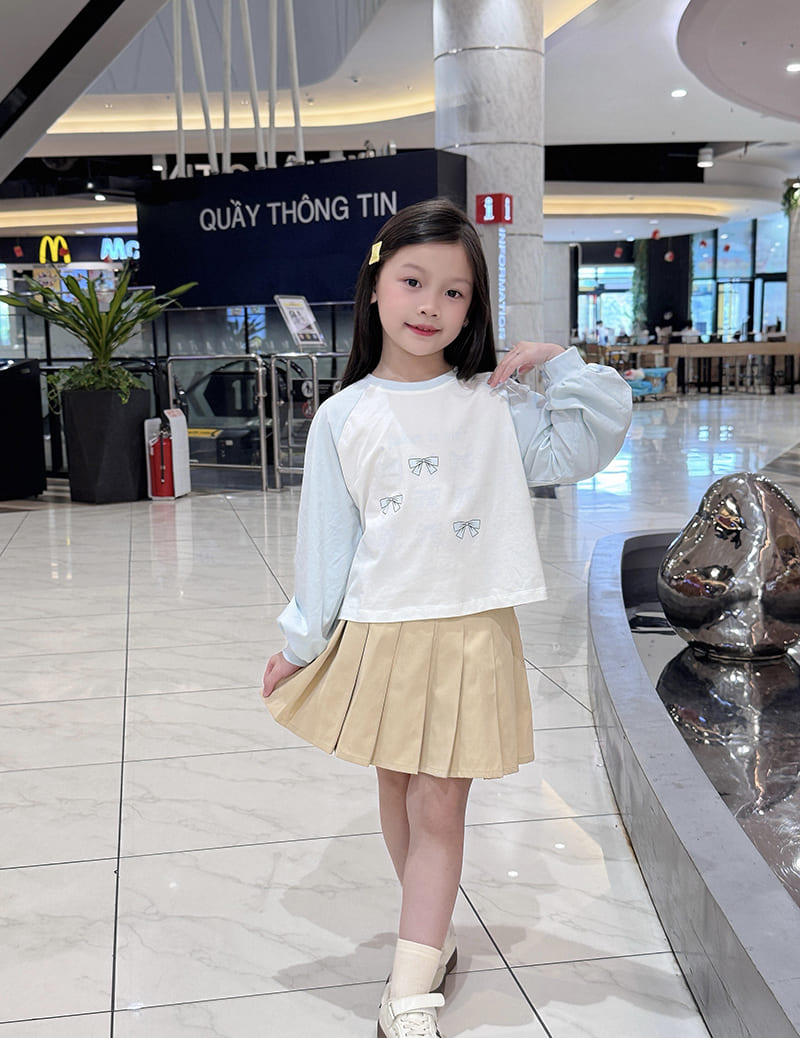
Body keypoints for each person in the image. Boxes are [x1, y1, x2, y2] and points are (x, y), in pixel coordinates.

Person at [261, 198, 632, 1038]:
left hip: (469, 628)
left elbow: (594, 437)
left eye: (454, 292)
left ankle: (408, 990)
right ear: (376, 286)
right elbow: (326, 547)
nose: (430, 305)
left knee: (439, 805)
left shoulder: (495, 404)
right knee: (398, 786)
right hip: (380, 629)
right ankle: (426, 940)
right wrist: (300, 644)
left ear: (474, 307)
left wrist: (556, 362)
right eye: (413, 281)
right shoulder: (343, 416)